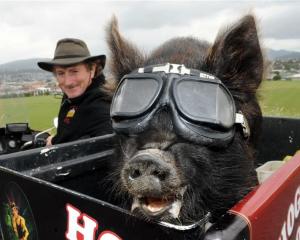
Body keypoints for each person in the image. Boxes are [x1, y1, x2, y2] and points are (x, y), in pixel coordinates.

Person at [38, 38, 112, 145]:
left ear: (92, 70)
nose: (68, 82)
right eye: (61, 73)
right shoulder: (75, 97)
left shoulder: (102, 110)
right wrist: (55, 139)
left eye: (74, 71)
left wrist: (54, 142)